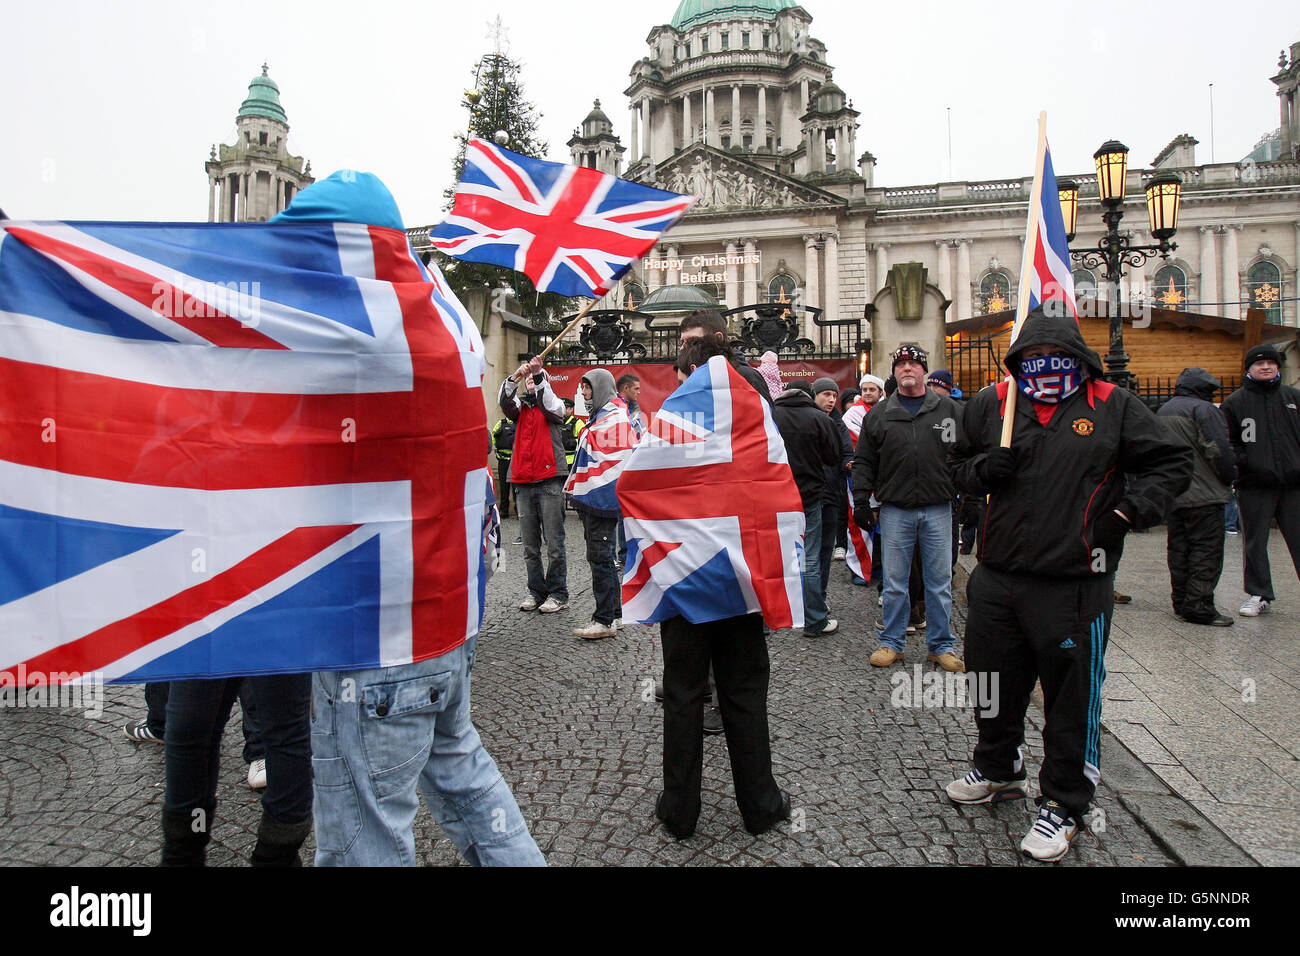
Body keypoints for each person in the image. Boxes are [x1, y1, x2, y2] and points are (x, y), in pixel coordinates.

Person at [946, 307, 1191, 863]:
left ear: (1079, 358)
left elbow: (1172, 463)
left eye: (1055, 357)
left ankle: (1065, 803)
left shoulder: (1113, 404)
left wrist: (1127, 514)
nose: (1043, 366)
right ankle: (998, 766)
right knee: (990, 683)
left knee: (1070, 696)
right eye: (1031, 357)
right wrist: (986, 470)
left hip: (1075, 583)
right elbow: (954, 466)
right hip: (999, 575)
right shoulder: (994, 403)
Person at [645, 336, 791, 839]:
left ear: (686, 371)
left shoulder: (668, 421)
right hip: (740, 582)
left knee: (684, 696)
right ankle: (761, 806)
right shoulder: (754, 417)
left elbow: (632, 490)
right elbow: (778, 494)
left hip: (684, 583)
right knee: (745, 692)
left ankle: (680, 811)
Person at [853, 345, 964, 674]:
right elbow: (865, 461)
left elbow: (962, 453)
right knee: (895, 581)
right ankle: (892, 642)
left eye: (913, 363)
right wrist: (862, 499)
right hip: (895, 509)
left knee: (939, 581)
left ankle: (941, 646)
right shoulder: (880, 414)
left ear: (924, 370)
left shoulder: (947, 410)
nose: (907, 369)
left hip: (937, 507)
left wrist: (965, 492)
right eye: (901, 364)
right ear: (895, 372)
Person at [1221, 343, 1300, 617]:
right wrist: (1244, 464)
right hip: (1254, 485)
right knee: (1255, 540)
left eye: (1271, 362)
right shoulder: (1235, 403)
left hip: (1293, 484)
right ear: (1249, 368)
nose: (1265, 366)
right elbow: (1229, 442)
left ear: (1278, 366)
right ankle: (1259, 593)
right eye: (1259, 363)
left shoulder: (1293, 398)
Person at [1158, 368, 1237, 626]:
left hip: (1174, 493)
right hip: (1205, 494)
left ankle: (1180, 601)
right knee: (1206, 551)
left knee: (1179, 549)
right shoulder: (1204, 410)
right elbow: (1219, 451)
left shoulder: (1164, 410)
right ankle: (1199, 605)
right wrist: (1229, 477)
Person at [772, 379, 842, 637]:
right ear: (808, 395)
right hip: (809, 497)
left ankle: (770, 617)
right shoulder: (819, 418)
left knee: (772, 557)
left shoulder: (770, 415)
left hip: (776, 496)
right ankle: (813, 618)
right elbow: (833, 457)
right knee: (810, 557)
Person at [499, 356, 569, 614]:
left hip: (549, 481)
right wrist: (515, 376)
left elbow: (548, 399)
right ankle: (536, 591)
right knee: (530, 546)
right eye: (528, 379)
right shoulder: (519, 409)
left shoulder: (554, 406)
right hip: (523, 481)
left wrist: (539, 375)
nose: (531, 381)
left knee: (554, 543)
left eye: (535, 379)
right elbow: (504, 399)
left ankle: (558, 593)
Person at [566, 369, 625, 640]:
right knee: (604, 558)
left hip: (603, 498)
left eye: (587, 389)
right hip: (597, 498)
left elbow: (617, 458)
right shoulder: (601, 416)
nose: (584, 394)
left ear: (600, 388)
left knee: (601, 558)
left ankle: (603, 619)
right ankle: (614, 615)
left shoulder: (613, 418)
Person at [491, 415, 516, 520]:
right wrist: (495, 447)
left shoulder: (519, 423)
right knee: (503, 486)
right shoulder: (501, 423)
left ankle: (518, 510)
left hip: (516, 460)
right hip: (503, 459)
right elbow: (493, 435)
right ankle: (503, 511)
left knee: (516, 487)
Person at [561, 397, 584, 473]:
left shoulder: (577, 422)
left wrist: (573, 442)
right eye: (561, 407)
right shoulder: (554, 421)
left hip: (571, 461)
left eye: (565, 407)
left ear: (571, 409)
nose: (563, 409)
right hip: (557, 462)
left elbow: (586, 439)